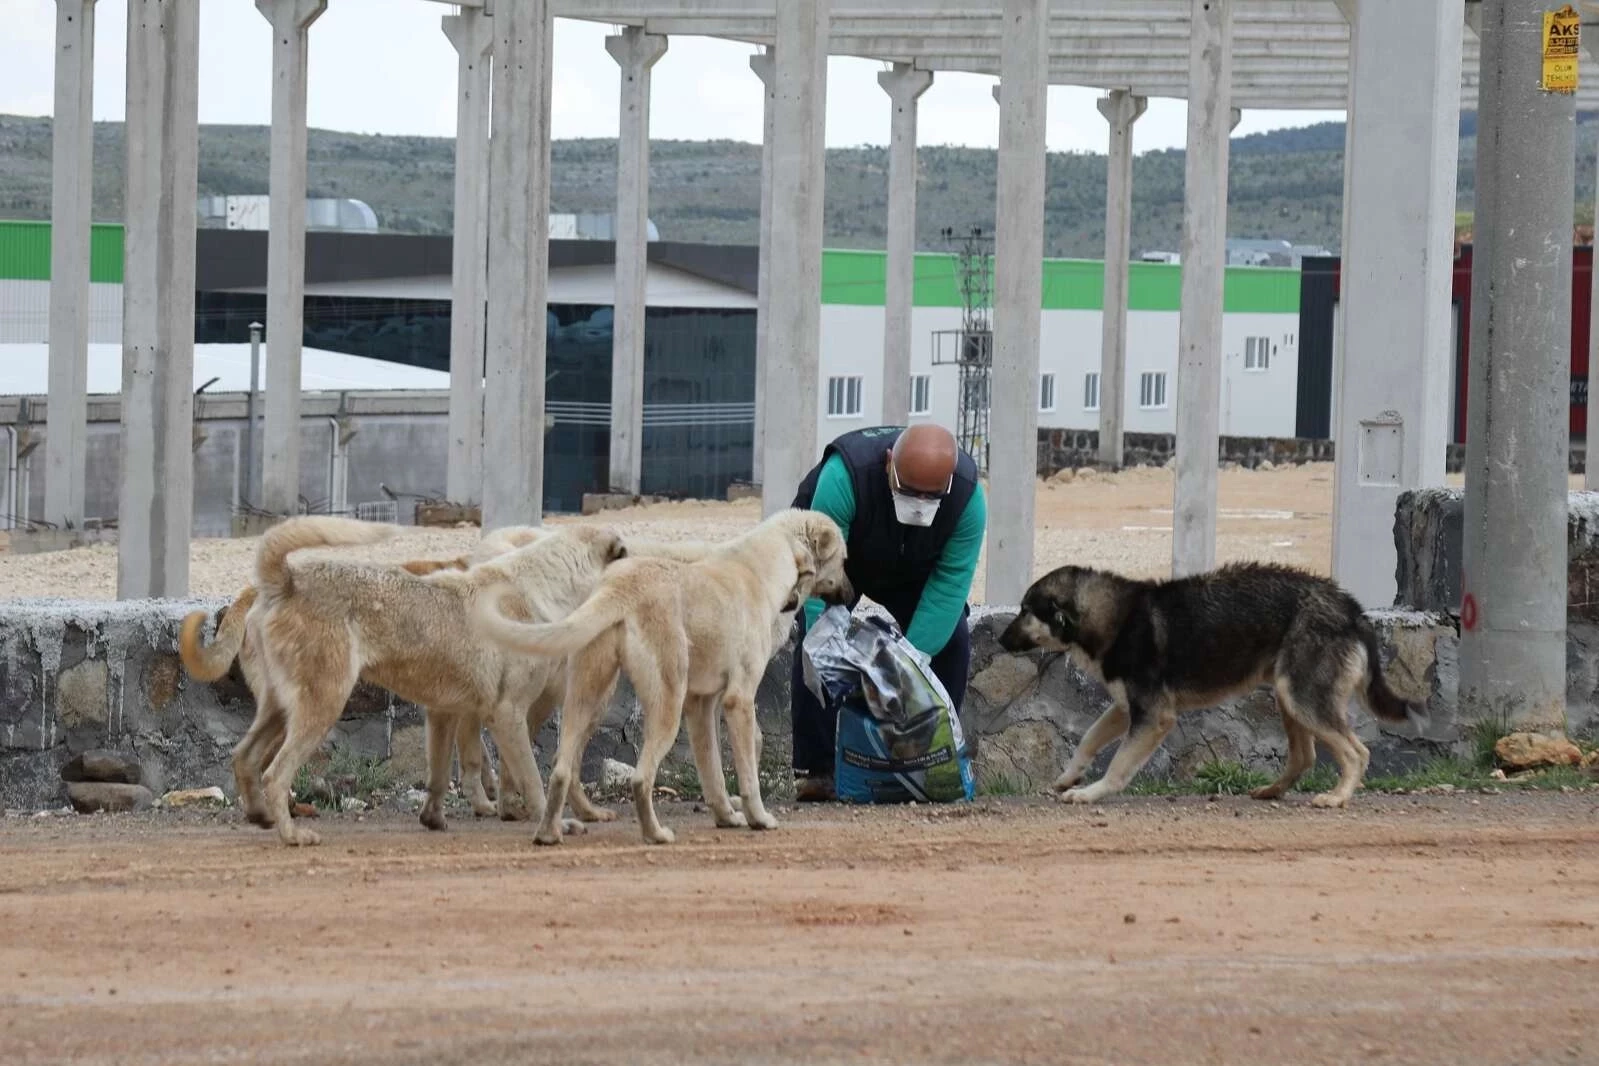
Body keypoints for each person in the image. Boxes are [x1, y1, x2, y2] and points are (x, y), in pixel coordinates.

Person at [788, 423, 988, 802]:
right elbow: (814, 575)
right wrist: (819, 636)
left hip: (915, 566)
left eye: (931, 497)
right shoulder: (844, 478)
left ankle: (931, 760)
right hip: (838, 561)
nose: (919, 502)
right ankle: (816, 771)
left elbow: (948, 586)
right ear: (888, 464)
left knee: (953, 641)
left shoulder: (968, 501)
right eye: (909, 492)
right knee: (815, 646)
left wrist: (908, 669)